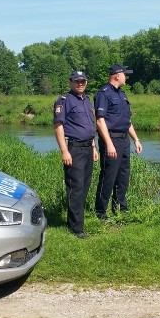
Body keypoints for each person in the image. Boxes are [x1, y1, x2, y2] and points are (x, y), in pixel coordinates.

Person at [53, 70, 99, 238]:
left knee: (84, 187)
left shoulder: (86, 100)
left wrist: (93, 147)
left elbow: (90, 126)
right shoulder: (65, 101)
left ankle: (74, 221)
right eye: (77, 81)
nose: (80, 84)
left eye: (83, 81)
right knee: (76, 188)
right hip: (74, 148)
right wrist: (64, 151)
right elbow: (58, 126)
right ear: (70, 82)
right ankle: (76, 228)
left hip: (88, 148)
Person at [94, 64, 142, 219]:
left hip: (123, 139)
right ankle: (101, 211)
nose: (126, 77)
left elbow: (127, 121)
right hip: (111, 138)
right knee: (108, 175)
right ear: (116, 75)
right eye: (124, 75)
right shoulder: (104, 93)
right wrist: (108, 144)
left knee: (123, 175)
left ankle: (120, 207)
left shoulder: (122, 94)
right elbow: (100, 121)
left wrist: (136, 139)